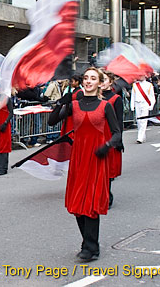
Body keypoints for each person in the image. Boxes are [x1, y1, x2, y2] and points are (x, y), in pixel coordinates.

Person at [48, 67, 121, 261]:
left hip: (97, 159)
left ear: (99, 83)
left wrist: (107, 146)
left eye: (93, 78)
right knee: (77, 205)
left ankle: (90, 247)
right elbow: (51, 122)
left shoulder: (105, 106)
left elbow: (117, 133)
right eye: (86, 78)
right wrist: (59, 104)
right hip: (79, 160)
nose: (89, 81)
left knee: (90, 205)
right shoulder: (75, 105)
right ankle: (88, 243)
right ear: (83, 82)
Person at [101, 70, 124, 208]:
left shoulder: (116, 99)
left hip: (110, 136)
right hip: (96, 136)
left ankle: (107, 196)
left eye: (104, 80)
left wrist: (118, 141)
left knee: (108, 170)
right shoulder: (94, 97)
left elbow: (119, 121)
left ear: (110, 82)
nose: (101, 82)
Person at [130, 78, 155, 143]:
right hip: (137, 103)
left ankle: (140, 137)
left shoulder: (149, 85)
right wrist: (132, 105)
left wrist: (151, 105)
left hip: (145, 103)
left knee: (144, 120)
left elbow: (152, 96)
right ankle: (142, 136)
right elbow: (133, 96)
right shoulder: (135, 85)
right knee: (138, 121)